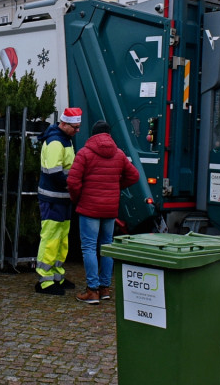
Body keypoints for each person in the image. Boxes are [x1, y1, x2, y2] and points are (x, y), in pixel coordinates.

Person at [67, 120, 139, 304]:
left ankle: (92, 290)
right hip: (110, 209)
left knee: (89, 247)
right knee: (107, 245)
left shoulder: (84, 153)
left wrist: (78, 198)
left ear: (93, 134)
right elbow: (134, 175)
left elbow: (73, 182)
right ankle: (105, 288)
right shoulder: (119, 154)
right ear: (108, 134)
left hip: (89, 207)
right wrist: (115, 187)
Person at [35, 107, 82, 295]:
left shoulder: (64, 139)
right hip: (53, 198)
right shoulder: (56, 141)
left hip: (61, 198)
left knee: (61, 239)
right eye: (75, 127)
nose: (77, 130)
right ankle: (45, 281)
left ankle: (56, 276)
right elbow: (55, 173)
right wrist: (74, 184)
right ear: (64, 124)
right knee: (51, 238)